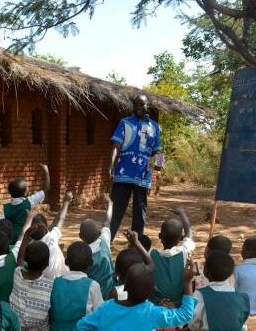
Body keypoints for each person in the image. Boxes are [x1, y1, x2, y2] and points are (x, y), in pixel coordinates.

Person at [108, 95, 164, 239]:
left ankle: (136, 246)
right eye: (136, 104)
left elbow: (158, 149)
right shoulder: (125, 123)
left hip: (143, 175)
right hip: (123, 173)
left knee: (140, 212)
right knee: (115, 210)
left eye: (142, 104)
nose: (139, 107)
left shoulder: (155, 127)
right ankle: (106, 243)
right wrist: (111, 164)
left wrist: (159, 163)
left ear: (147, 106)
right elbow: (116, 145)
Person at [186, 251, 250, 331]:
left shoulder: (200, 293)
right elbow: (243, 324)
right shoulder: (242, 296)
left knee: (195, 323)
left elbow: (192, 320)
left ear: (205, 272)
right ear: (231, 273)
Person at [49, 242, 103, 331]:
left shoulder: (56, 282)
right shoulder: (93, 285)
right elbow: (100, 314)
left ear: (66, 261)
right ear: (91, 263)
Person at [10, 224, 55, 331]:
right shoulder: (51, 286)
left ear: (26, 262)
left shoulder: (17, 274)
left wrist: (26, 236)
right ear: (47, 264)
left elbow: (20, 257)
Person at [150, 207, 195, 307]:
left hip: (155, 305)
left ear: (159, 236)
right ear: (181, 238)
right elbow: (189, 232)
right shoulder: (185, 251)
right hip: (179, 304)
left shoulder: (151, 254)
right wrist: (182, 213)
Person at [26, 191, 72, 280]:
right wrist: (66, 201)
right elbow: (60, 219)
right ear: (46, 227)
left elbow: (57, 220)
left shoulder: (30, 249)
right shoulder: (52, 237)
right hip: (62, 279)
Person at [0, 163, 50, 241]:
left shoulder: (5, 209)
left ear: (10, 193)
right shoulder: (29, 201)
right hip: (27, 237)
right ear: (25, 192)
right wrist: (46, 171)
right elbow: (46, 189)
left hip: (12, 239)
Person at [80, 193, 115, 299]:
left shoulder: (84, 255)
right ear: (99, 232)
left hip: (94, 296)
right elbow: (107, 222)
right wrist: (110, 204)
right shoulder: (104, 240)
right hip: (110, 290)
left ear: (81, 236)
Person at [110, 230, 154, 301]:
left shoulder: (115, 293)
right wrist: (136, 242)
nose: (128, 247)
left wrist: (135, 242)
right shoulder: (145, 278)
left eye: (130, 245)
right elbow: (151, 264)